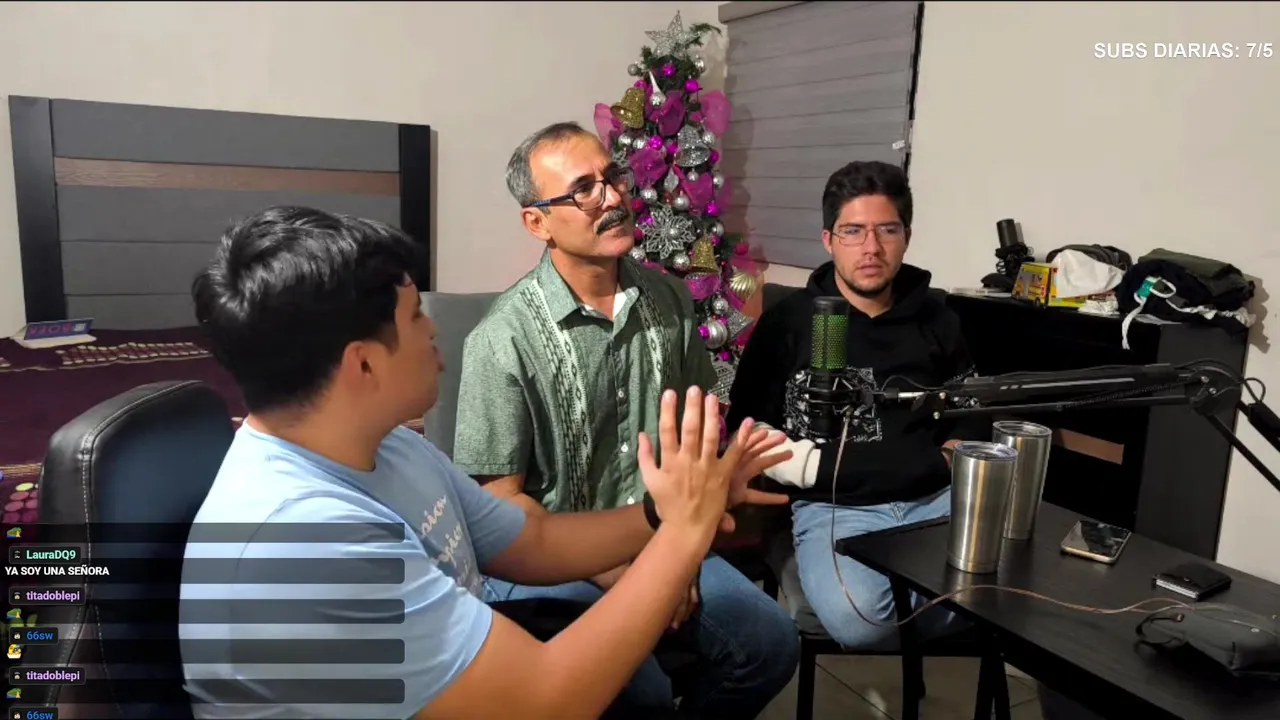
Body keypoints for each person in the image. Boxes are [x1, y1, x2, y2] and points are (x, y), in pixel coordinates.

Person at [179, 206, 793, 720]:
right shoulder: (302, 536)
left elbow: (533, 541)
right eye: (415, 316)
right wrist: (686, 530)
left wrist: (664, 511)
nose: (433, 330)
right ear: (362, 364)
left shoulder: (382, 442)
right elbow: (545, 701)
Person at [451, 122, 801, 717]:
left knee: (770, 643)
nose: (612, 198)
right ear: (537, 222)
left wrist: (679, 550)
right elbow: (500, 506)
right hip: (550, 559)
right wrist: (625, 574)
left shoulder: (670, 302)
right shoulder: (502, 340)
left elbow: (693, 438)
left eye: (612, 177)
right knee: (638, 689)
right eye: (583, 190)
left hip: (662, 532)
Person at [726, 160, 989, 649]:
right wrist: (807, 468)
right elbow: (746, 425)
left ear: (906, 237)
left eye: (887, 229)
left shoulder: (938, 320)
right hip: (834, 505)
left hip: (933, 500)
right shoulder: (789, 323)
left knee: (1006, 596)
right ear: (828, 240)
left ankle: (886, 597)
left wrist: (947, 458)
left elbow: (971, 412)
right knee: (863, 623)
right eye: (853, 231)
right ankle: (807, 562)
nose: (871, 248)